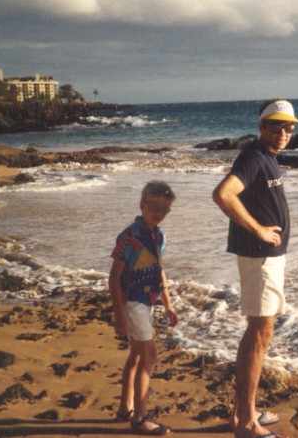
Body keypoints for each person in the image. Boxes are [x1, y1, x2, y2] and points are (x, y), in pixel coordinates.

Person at [212, 99, 298, 438]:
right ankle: (247, 423)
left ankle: (242, 414)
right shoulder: (253, 156)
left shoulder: (267, 157)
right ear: (262, 127)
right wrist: (259, 230)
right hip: (260, 258)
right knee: (259, 334)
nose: (283, 133)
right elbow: (223, 194)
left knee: (262, 332)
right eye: (276, 127)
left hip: (268, 258)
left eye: (288, 128)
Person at [109, 181, 179, 436]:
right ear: (142, 205)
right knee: (149, 355)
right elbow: (114, 278)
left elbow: (159, 269)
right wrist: (119, 316)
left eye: (164, 208)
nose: (159, 212)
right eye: (154, 206)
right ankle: (140, 417)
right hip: (132, 301)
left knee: (137, 355)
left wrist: (168, 304)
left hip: (147, 301)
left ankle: (125, 408)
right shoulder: (129, 237)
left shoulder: (158, 235)